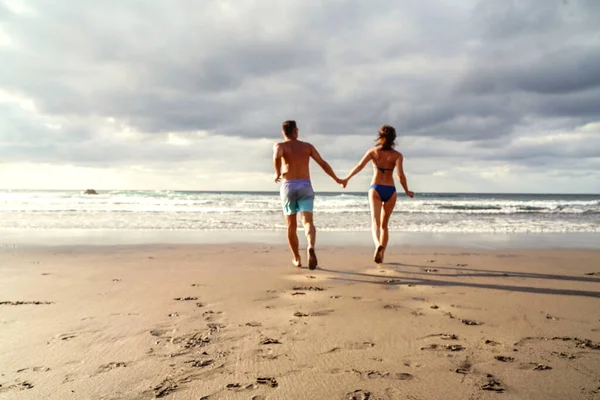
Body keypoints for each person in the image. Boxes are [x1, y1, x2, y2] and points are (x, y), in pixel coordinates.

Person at [273, 120, 342, 270]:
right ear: (296, 131)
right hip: (305, 185)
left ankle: (297, 258)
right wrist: (336, 179)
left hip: (289, 185)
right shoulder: (307, 147)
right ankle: (310, 246)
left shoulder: (280, 146)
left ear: (283, 133)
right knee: (308, 222)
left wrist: (278, 172)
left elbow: (277, 156)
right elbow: (322, 163)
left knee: (291, 225)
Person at [341, 125, 414, 264]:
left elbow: (359, 166)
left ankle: (377, 245)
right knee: (384, 225)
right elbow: (400, 175)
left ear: (380, 136)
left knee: (375, 221)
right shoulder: (397, 155)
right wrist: (406, 190)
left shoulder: (373, 152)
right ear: (394, 139)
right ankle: (382, 252)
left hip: (376, 188)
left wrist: (346, 179)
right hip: (390, 190)